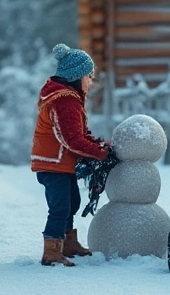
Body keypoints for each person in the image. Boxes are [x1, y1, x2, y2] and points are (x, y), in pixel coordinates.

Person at [31, 44, 113, 266]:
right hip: (52, 164)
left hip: (60, 163)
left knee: (72, 202)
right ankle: (51, 251)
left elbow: (78, 133)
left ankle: (67, 243)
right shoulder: (64, 101)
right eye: (89, 76)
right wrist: (100, 154)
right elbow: (71, 140)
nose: (91, 81)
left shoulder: (70, 99)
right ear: (76, 76)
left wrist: (97, 144)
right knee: (60, 207)